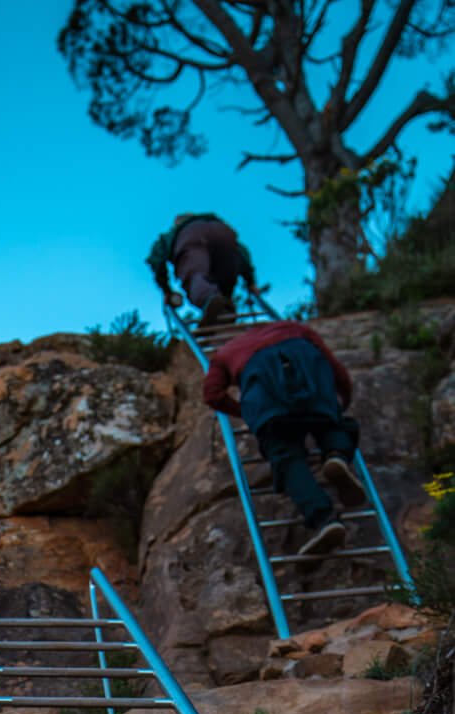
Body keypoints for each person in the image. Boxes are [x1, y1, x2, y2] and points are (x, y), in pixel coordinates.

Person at [203, 318, 366, 558]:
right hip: (308, 370)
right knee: (330, 421)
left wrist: (248, 412)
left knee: (286, 457)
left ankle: (324, 519)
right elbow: (334, 367)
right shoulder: (293, 327)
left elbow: (212, 394)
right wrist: (341, 401)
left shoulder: (225, 352)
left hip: (264, 391)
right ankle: (336, 455)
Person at [147, 213, 257, 325]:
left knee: (195, 275)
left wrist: (166, 290)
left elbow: (156, 259)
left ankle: (210, 298)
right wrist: (251, 282)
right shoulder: (211, 221)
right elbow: (241, 252)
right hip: (223, 232)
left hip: (191, 236)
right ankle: (224, 313)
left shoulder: (172, 234)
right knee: (225, 285)